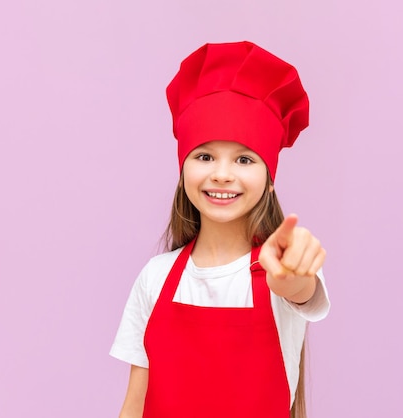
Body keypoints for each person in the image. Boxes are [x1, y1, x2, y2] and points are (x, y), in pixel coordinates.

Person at [110, 41, 330, 418]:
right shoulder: (156, 277)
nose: (222, 174)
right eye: (205, 156)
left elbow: (298, 289)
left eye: (244, 158)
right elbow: (135, 402)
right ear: (183, 171)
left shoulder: (282, 268)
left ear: (270, 178)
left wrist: (291, 278)